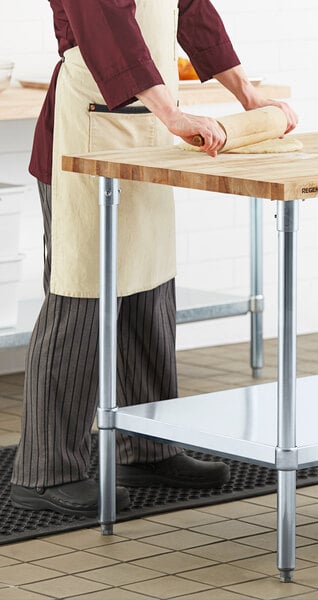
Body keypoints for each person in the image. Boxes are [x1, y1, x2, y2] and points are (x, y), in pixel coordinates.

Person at [10, 0, 298, 516]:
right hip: (90, 131)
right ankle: (45, 471)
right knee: (82, 296)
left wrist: (246, 91)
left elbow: (191, 9)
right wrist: (173, 112)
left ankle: (146, 449)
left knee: (148, 288)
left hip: (144, 125)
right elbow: (108, 27)